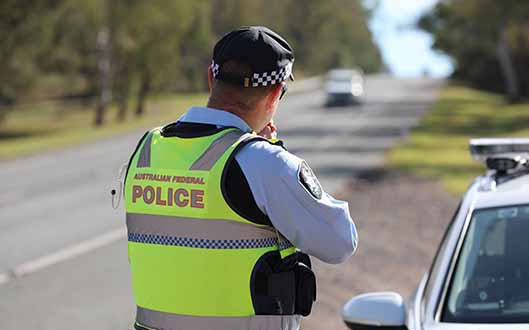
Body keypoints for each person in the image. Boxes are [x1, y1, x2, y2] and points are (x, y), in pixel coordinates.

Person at [122, 26, 358, 330]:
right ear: (275, 93)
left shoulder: (147, 151)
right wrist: (271, 149)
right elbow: (340, 241)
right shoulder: (264, 162)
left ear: (211, 77)